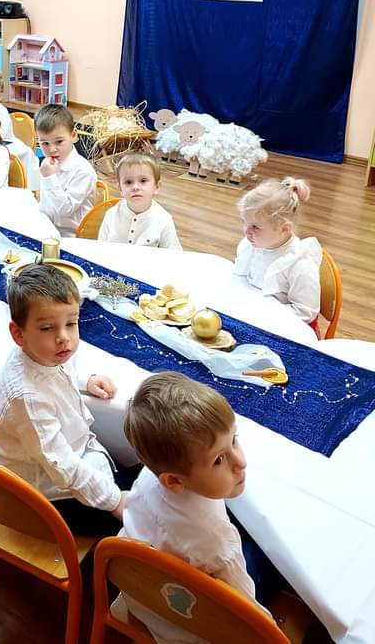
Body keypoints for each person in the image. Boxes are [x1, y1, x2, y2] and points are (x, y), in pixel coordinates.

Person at [119, 372, 267, 642]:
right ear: (174, 481)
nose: (241, 462)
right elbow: (249, 613)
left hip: (141, 599)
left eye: (234, 439)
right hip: (192, 628)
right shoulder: (217, 540)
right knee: (267, 550)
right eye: (219, 459)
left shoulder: (150, 475)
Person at [0, 264, 128, 535]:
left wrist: (86, 380)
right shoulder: (27, 398)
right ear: (18, 334)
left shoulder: (45, 352)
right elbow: (62, 466)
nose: (64, 338)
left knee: (137, 481)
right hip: (43, 495)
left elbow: (60, 372)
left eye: (71, 324)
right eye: (47, 328)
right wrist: (114, 500)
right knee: (133, 524)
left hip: (70, 455)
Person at [235, 177, 321, 334]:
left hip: (285, 331)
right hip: (253, 317)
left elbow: (305, 312)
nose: (247, 232)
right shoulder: (254, 244)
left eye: (255, 227)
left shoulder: (300, 264)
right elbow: (243, 278)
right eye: (244, 222)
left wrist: (262, 311)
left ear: (284, 229)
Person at [35, 104, 96, 237]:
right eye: (45, 143)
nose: (52, 149)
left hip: (72, 235)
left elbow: (65, 210)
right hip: (47, 229)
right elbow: (44, 203)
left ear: (73, 135)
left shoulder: (83, 170)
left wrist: (49, 178)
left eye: (59, 141)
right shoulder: (47, 164)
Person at [98, 153, 181, 248]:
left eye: (143, 181)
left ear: (157, 187)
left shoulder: (164, 220)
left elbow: (173, 254)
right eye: (128, 182)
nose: (135, 187)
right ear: (120, 189)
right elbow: (100, 248)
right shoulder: (111, 214)